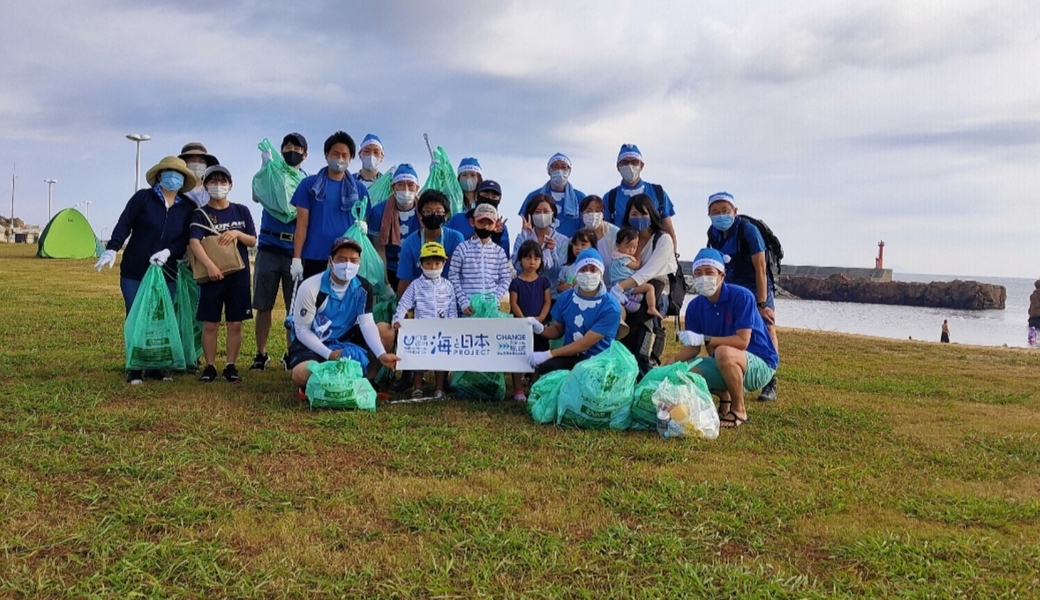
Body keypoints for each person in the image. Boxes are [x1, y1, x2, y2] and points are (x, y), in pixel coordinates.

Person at [95, 155, 197, 385]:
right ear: (160, 176)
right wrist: (112, 249)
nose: (173, 177)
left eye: (178, 174)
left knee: (160, 318)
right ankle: (134, 367)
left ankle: (157, 367)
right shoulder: (143, 198)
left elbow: (184, 238)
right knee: (136, 315)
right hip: (134, 269)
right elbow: (125, 223)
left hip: (166, 271)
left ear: (183, 179)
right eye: (168, 172)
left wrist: (169, 252)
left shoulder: (187, 207)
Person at [663, 248, 778, 429]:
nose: (704, 278)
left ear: (722, 276)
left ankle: (739, 410)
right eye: (698, 273)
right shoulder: (694, 307)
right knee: (682, 373)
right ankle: (724, 395)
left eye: (709, 272)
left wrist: (705, 338)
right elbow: (693, 348)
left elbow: (742, 342)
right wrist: (672, 361)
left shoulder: (742, 296)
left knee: (723, 352)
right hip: (723, 361)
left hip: (759, 364)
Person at [288, 237, 399, 393]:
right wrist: (329, 354)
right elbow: (302, 330)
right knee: (301, 375)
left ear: (359, 262)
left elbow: (366, 323)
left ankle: (367, 381)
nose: (348, 265)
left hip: (346, 337)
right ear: (330, 261)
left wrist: (381, 354)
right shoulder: (311, 287)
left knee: (385, 331)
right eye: (341, 259)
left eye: (353, 260)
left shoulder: (364, 287)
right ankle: (332, 382)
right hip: (315, 338)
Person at [705, 191, 779, 402]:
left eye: (725, 211)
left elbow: (761, 268)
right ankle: (729, 370)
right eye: (715, 212)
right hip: (732, 285)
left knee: (766, 326)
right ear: (709, 214)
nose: (721, 216)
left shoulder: (749, 230)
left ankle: (770, 380)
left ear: (735, 212)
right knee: (734, 328)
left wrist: (762, 303)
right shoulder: (713, 232)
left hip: (756, 284)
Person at [188, 166, 257, 384]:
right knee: (210, 324)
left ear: (231, 184)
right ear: (206, 185)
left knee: (235, 324)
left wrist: (237, 233)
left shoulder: (241, 211)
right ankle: (209, 366)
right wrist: (209, 266)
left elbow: (253, 240)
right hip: (213, 277)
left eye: (223, 181)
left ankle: (230, 365)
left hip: (238, 275)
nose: (219, 185)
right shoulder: (200, 214)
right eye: (213, 181)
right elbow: (194, 242)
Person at [250, 132, 308, 371]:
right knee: (263, 305)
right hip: (268, 247)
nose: (291, 150)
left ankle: (290, 353)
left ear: (305, 154)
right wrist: (265, 169)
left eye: (296, 146)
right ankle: (260, 354)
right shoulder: (272, 176)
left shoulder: (305, 181)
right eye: (287, 145)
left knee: (293, 308)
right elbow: (256, 195)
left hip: (293, 250)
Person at [608, 194, 678, 373]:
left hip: (655, 289)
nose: (638, 219)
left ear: (652, 214)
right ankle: (625, 372)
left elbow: (649, 271)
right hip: (631, 290)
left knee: (647, 333)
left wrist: (621, 287)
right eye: (634, 214)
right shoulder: (629, 239)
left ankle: (648, 370)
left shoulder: (663, 239)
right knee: (626, 333)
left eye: (643, 214)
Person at [290, 131, 371, 281]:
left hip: (346, 259)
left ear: (351, 158)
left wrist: (363, 226)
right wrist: (296, 258)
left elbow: (364, 222)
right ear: (326, 155)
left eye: (344, 155)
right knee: (314, 302)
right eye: (335, 154)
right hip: (315, 256)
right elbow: (302, 224)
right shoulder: (310, 185)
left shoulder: (359, 190)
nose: (339, 159)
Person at [527, 248, 622, 374]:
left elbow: (584, 344)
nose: (588, 273)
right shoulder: (566, 297)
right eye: (583, 269)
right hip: (570, 358)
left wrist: (549, 354)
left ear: (601, 272)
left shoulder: (610, 307)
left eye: (593, 269)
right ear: (577, 272)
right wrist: (541, 329)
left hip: (597, 363)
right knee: (548, 368)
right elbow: (557, 329)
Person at [391, 242, 457, 400]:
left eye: (437, 263)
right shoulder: (415, 285)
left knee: (441, 360)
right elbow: (404, 303)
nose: (433, 267)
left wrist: (453, 324)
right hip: (422, 329)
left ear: (444, 263)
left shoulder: (448, 286)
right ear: (420, 264)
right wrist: (398, 318)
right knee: (418, 361)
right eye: (428, 263)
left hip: (442, 331)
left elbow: (452, 308)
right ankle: (417, 388)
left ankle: (439, 388)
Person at [603, 144, 677, 249]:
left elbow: (669, 229)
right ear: (618, 167)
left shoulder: (658, 193)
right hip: (624, 257)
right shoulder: (610, 198)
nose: (630, 166)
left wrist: (674, 256)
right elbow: (606, 234)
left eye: (634, 162)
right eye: (625, 162)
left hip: (654, 253)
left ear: (641, 166)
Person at [396, 190, 465, 296]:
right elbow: (404, 281)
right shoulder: (409, 243)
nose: (433, 215)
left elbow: (462, 274)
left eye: (438, 212)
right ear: (420, 215)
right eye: (428, 212)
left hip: (450, 297)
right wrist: (402, 310)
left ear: (446, 215)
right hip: (420, 298)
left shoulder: (456, 238)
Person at [448, 203, 511, 315]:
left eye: (489, 223)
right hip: (467, 310)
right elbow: (453, 276)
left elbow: (506, 278)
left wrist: (495, 299)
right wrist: (463, 302)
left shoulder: (499, 252)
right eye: (481, 222)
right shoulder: (462, 248)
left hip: (491, 310)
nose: (485, 227)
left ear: (496, 225)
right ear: (473, 222)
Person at [367, 163, 421, 293]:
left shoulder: (424, 211)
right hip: (390, 269)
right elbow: (380, 250)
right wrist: (385, 284)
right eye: (400, 185)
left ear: (417, 188)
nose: (406, 189)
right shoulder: (379, 211)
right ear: (393, 187)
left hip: (418, 269)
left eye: (410, 185)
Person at [509, 240, 552, 401]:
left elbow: (547, 301)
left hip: (539, 328)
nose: (532, 262)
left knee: (537, 356)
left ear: (541, 261)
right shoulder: (516, 282)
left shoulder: (544, 282)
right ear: (520, 260)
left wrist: (540, 319)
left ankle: (535, 387)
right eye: (528, 258)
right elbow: (513, 303)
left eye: (536, 258)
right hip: (520, 327)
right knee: (518, 357)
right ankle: (518, 390)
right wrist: (523, 320)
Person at [513, 194, 568, 298]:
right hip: (525, 294)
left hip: (552, 297)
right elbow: (517, 266)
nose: (542, 215)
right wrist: (525, 237)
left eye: (546, 211)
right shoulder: (522, 237)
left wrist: (553, 251)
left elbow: (560, 272)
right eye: (537, 212)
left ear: (553, 213)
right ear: (531, 215)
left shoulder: (562, 241)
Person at [519, 153, 585, 237]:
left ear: (569, 170)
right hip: (538, 246)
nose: (559, 171)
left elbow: (585, 229)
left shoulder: (580, 198)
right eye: (555, 167)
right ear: (549, 170)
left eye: (563, 167)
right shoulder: (533, 197)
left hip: (572, 247)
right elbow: (526, 224)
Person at [446, 180, 511, 256]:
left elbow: (504, 257)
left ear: (499, 200)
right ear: (477, 195)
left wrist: (495, 237)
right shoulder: (457, 219)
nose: (489, 199)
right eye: (485, 195)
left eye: (494, 197)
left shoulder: (501, 228)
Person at [610, 226, 663, 319]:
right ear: (618, 245)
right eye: (628, 247)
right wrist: (638, 255)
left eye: (634, 247)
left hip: (620, 287)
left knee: (642, 290)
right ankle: (651, 307)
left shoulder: (615, 257)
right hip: (626, 287)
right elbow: (637, 265)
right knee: (650, 288)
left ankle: (631, 300)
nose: (631, 250)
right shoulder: (623, 258)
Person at [578, 195, 619, 274]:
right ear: (581, 214)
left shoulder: (615, 233)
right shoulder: (578, 238)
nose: (593, 215)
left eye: (597, 211)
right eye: (589, 211)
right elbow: (571, 267)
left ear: (603, 214)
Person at [557, 228, 596, 295]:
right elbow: (558, 288)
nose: (578, 248)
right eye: (575, 244)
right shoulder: (567, 267)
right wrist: (563, 287)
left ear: (592, 246)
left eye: (583, 245)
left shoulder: (595, 267)